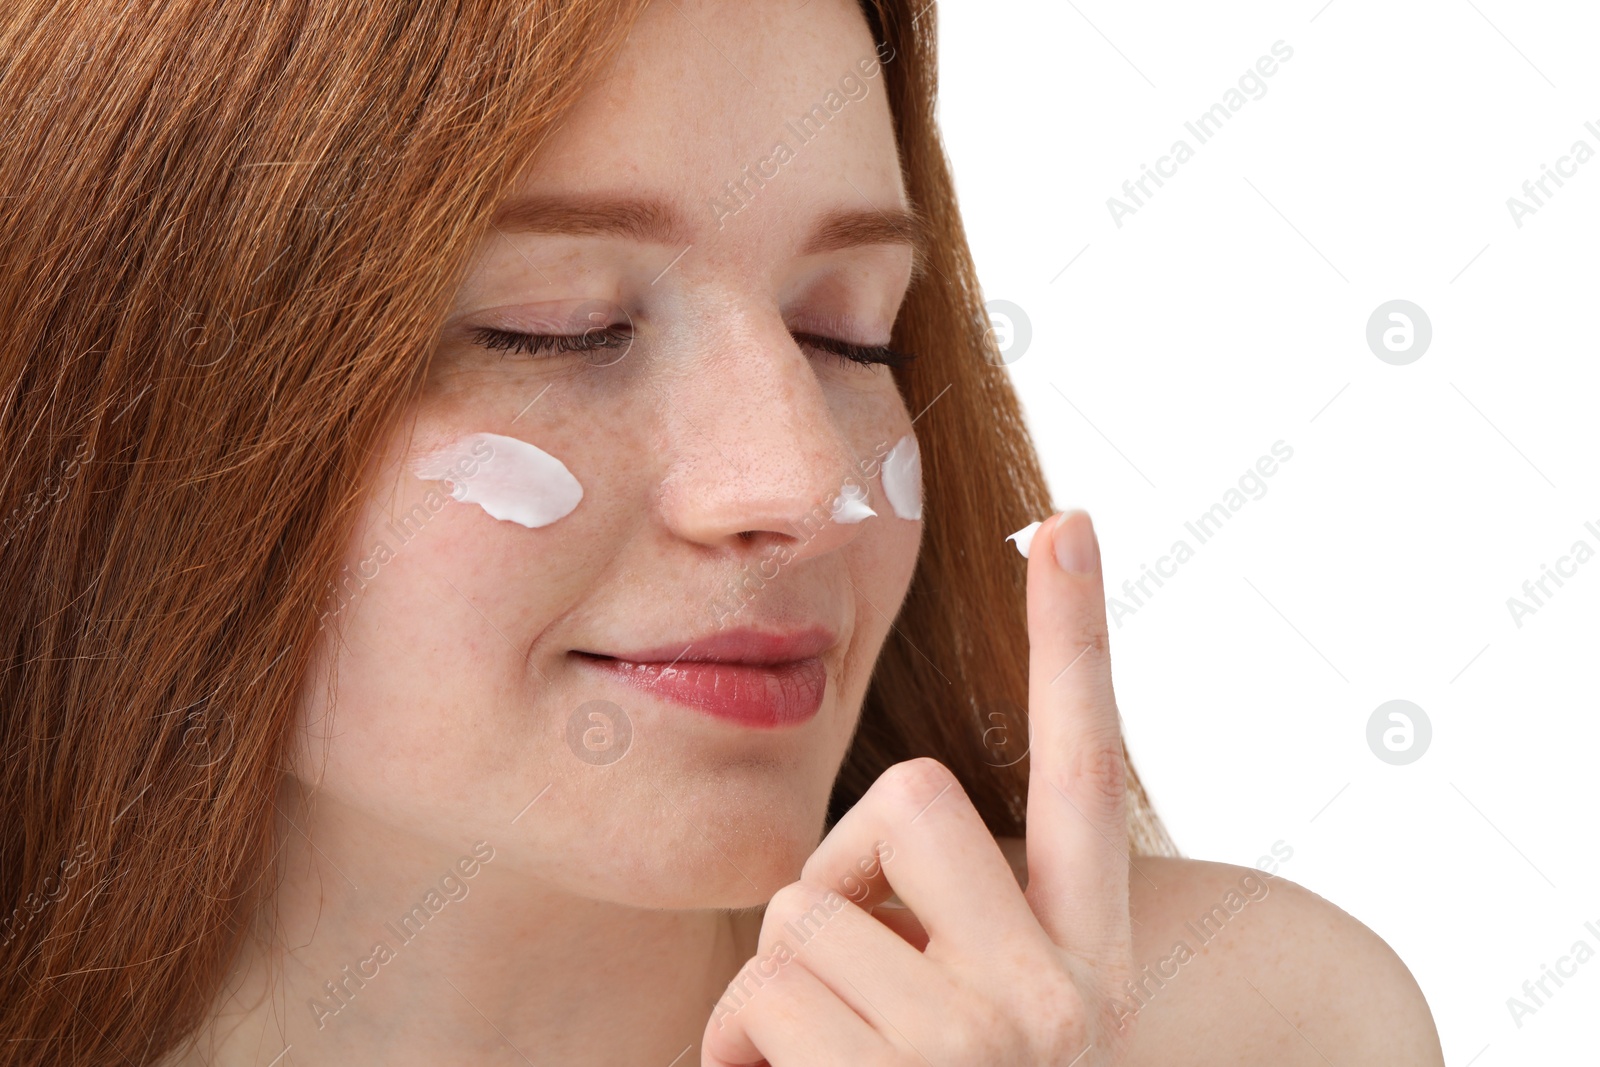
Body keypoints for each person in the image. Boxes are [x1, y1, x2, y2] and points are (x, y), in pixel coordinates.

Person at [0, 1, 1445, 1063]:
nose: (800, 477)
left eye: (848, 332)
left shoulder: (1245, 1022)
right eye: (555, 330)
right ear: (113, 384)